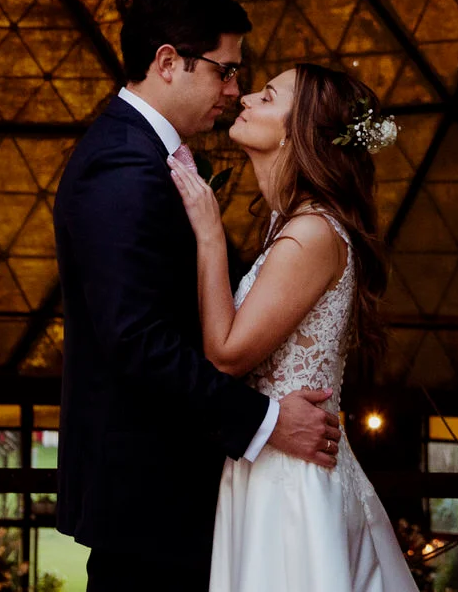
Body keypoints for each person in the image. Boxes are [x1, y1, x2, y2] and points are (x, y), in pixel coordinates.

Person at [54, 0, 344, 592]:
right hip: (150, 500)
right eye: (225, 71)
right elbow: (138, 341)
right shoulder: (122, 165)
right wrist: (268, 421)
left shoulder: (148, 157)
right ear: (168, 63)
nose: (235, 90)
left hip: (179, 500)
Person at [166, 62, 420, 592]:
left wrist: (209, 236)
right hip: (270, 463)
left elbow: (226, 355)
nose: (245, 98)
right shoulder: (295, 225)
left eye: (267, 96)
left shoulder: (312, 233)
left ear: (297, 131)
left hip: (291, 486)